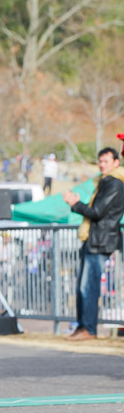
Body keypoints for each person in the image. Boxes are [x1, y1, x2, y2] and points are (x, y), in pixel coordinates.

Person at [62, 146, 124, 341]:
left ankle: (89, 328)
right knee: (83, 285)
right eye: (100, 161)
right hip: (94, 239)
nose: (101, 164)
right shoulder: (105, 182)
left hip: (101, 241)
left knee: (88, 286)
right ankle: (83, 327)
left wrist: (75, 205)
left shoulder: (114, 183)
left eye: (105, 161)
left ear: (116, 162)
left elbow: (97, 212)